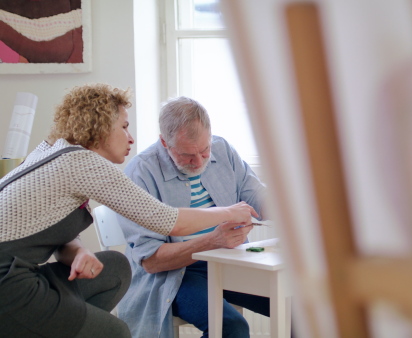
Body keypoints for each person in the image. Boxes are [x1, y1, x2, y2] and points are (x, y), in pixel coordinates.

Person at [0, 84, 257, 338]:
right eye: (123, 126)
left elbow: (53, 224)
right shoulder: (83, 164)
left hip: (21, 269)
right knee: (116, 332)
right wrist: (228, 213)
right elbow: (168, 221)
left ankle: (63, 325)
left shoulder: (54, 150)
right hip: (7, 278)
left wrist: (77, 251)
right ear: (100, 130)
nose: (131, 137)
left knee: (113, 269)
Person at [116, 97, 270, 338]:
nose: (199, 162)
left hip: (228, 263)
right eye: (187, 155)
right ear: (164, 142)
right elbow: (152, 261)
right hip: (175, 275)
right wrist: (212, 241)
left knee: (304, 309)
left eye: (205, 150)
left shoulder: (223, 149)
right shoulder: (140, 173)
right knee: (231, 326)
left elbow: (257, 198)